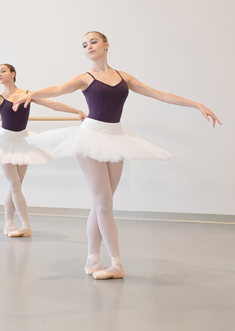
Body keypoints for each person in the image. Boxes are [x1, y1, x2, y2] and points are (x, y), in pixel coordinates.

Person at [12, 31, 220, 280]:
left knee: (102, 203)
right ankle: (116, 263)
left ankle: (92, 258)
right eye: (84, 44)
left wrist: (196, 104)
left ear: (106, 45)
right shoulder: (85, 78)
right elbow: (57, 89)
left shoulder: (123, 77)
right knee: (103, 203)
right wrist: (31, 94)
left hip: (116, 140)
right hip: (90, 138)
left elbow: (159, 94)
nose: (88, 46)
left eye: (93, 42)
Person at [0, 64, 86, 238]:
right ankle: (26, 225)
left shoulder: (27, 95)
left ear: (13, 74)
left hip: (23, 141)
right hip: (5, 142)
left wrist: (76, 111)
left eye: (3, 71)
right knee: (15, 185)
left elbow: (52, 104)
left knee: (15, 186)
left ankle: (8, 223)